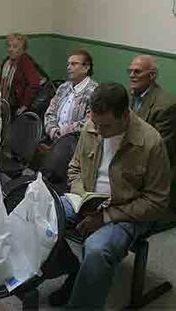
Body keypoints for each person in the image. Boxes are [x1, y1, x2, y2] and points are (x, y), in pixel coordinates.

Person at [49, 83, 172, 308]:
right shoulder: (92, 126)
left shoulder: (150, 142)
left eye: (105, 126)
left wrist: (105, 217)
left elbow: (157, 201)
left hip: (124, 213)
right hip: (85, 200)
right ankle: (76, 272)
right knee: (42, 217)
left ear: (125, 116)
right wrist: (80, 196)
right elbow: (75, 168)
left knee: (97, 251)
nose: (99, 131)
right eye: (96, 123)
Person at [127, 55, 176, 206]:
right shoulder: (129, 95)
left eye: (137, 72)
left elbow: (160, 150)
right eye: (130, 71)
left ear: (152, 75)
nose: (131, 75)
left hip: (150, 167)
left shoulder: (166, 105)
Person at [44, 49, 98, 141]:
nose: (69, 67)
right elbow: (50, 112)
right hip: (53, 137)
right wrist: (53, 130)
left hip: (77, 142)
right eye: (68, 64)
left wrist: (63, 132)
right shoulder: (63, 87)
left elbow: (89, 122)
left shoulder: (95, 91)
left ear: (86, 67)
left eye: (74, 64)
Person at [0, 33, 40, 117]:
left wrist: (24, 105)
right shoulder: (6, 62)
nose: (10, 49)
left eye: (15, 46)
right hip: (5, 104)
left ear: (22, 48)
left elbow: (34, 84)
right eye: (9, 46)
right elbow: (0, 82)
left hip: (17, 106)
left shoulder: (25, 62)